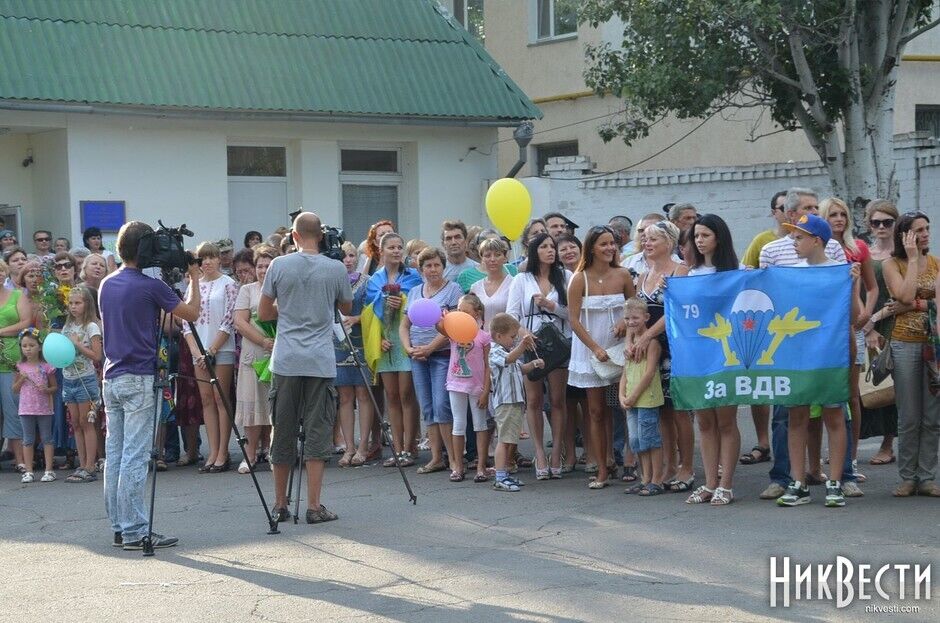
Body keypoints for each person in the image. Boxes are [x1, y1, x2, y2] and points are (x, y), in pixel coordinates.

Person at [99, 220, 202, 549]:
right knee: (135, 455)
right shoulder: (150, 287)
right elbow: (192, 314)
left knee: (115, 454)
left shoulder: (106, 284)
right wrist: (194, 278)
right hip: (140, 377)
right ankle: (134, 530)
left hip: (111, 376)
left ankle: (120, 525)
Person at [258, 211, 353, 524]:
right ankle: (314, 505)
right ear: (322, 236)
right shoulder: (336, 267)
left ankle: (280, 504)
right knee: (317, 432)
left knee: (282, 429)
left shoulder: (278, 265)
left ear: (294, 236)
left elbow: (265, 313)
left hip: (286, 359)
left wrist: (288, 304)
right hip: (320, 359)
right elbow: (345, 307)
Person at [776, 214, 858, 508]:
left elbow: (855, 316)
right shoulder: (790, 272)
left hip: (829, 354)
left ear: (817, 241)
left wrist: (853, 284)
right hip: (796, 355)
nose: (794, 242)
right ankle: (798, 482)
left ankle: (835, 481)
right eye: (793, 237)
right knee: (796, 416)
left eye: (799, 237)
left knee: (834, 416)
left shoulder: (840, 271)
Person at [567, 226, 635, 488]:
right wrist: (594, 347)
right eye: (604, 244)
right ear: (591, 248)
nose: (610, 248)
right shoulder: (579, 278)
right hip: (590, 349)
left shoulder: (623, 274)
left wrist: (624, 321)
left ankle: (629, 460)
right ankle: (603, 466)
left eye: (612, 244)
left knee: (625, 404)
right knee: (596, 411)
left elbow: (635, 306)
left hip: (620, 348)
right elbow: (573, 319)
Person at [629, 220, 693, 491]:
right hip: (648, 351)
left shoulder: (681, 271)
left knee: (679, 410)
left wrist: (646, 336)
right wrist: (632, 340)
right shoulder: (642, 276)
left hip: (673, 348)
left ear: (669, 242)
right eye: (645, 238)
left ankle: (687, 467)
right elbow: (634, 313)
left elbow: (674, 312)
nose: (647, 243)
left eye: (654, 239)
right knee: (661, 410)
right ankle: (667, 465)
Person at [685, 214, 741, 505]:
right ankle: (709, 483)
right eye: (696, 236)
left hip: (728, 354)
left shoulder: (737, 272)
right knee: (704, 421)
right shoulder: (688, 274)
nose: (700, 241)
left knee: (726, 420)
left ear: (719, 237)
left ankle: (727, 484)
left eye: (705, 235)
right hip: (697, 355)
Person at [883, 211, 940, 497]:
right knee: (909, 415)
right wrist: (914, 258)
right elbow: (902, 296)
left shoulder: (938, 263)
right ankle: (907, 476)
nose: (926, 234)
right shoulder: (892, 264)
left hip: (933, 345)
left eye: (927, 228)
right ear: (905, 236)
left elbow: (913, 303)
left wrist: (916, 305)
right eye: (919, 230)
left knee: (932, 414)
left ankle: (927, 476)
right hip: (904, 343)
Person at [821, 197, 879, 481]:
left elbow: (872, 286)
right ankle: (830, 455)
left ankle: (851, 458)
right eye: (833, 214)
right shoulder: (816, 251)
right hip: (824, 330)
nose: (839, 219)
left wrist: (866, 316)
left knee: (851, 395)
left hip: (852, 328)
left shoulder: (858, 248)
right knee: (822, 399)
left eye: (843, 214)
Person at [506, 233, 572, 480]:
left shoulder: (565, 276)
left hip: (558, 344)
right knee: (533, 400)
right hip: (530, 344)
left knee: (557, 400)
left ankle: (556, 452)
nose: (550, 250)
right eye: (544, 246)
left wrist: (550, 305)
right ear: (534, 251)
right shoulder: (521, 279)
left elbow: (574, 314)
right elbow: (512, 315)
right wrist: (523, 334)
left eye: (552, 246)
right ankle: (539, 454)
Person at [400, 247, 461, 473]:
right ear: (420, 268)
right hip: (417, 357)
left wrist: (430, 348)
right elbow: (404, 324)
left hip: (442, 355)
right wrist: (408, 348)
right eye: (428, 265)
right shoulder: (415, 291)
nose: (433, 269)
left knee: (442, 406)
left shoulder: (453, 290)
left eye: (437, 265)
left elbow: (453, 326)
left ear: (443, 267)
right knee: (427, 407)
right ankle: (436, 457)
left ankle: (454, 459)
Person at [363, 233, 422, 466]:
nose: (396, 251)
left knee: (407, 393)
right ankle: (397, 449)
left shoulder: (413, 277)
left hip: (405, 339)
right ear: (381, 250)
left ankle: (410, 446)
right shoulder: (373, 280)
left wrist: (404, 300)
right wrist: (377, 341)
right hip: (386, 341)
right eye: (391, 247)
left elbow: (420, 307)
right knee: (392, 396)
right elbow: (369, 317)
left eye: (399, 247)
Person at [738, 191, 788, 468]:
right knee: (762, 386)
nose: (787, 212)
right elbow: (746, 274)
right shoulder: (763, 242)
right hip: (764, 322)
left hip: (790, 324)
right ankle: (763, 442)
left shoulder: (810, 242)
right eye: (782, 207)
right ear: (774, 212)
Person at [182, 242, 239, 473]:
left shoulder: (229, 284)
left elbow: (229, 320)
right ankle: (212, 450)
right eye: (202, 259)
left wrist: (212, 350)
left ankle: (223, 452)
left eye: (211, 258)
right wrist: (197, 352)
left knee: (220, 398)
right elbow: (186, 321)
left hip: (220, 349)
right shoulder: (193, 286)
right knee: (206, 400)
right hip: (199, 351)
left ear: (219, 259)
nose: (207, 262)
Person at [859, 199, 900, 465]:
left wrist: (873, 322)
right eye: (876, 222)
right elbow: (859, 291)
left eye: (887, 222)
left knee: (890, 386)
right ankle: (851, 443)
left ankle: (887, 444)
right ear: (869, 225)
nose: (882, 227)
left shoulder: (901, 256)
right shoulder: (865, 253)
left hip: (894, 324)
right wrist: (866, 326)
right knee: (863, 386)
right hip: (864, 322)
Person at [233, 245, 279, 473]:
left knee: (273, 404)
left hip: (277, 353)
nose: (263, 270)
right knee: (252, 403)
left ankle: (272, 451)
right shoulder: (247, 290)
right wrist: (263, 342)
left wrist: (275, 342)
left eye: (268, 265)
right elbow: (240, 322)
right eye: (260, 265)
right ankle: (249, 454)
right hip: (254, 352)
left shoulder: (282, 288)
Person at [489, 313, 543, 492]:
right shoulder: (496, 351)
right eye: (512, 337)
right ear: (498, 336)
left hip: (514, 402)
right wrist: (522, 345)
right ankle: (500, 476)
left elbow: (521, 368)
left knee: (510, 440)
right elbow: (508, 360)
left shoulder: (507, 351)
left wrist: (535, 364)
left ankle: (504, 473)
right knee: (504, 440)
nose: (514, 340)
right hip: (505, 403)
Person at [332, 241, 373, 468]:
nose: (347, 260)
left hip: (361, 341)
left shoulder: (366, 282)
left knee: (363, 393)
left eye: (350, 255)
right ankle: (348, 446)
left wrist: (357, 319)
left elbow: (374, 311)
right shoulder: (331, 281)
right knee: (345, 396)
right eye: (342, 256)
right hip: (337, 341)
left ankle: (363, 445)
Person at [619, 297, 664, 497]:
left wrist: (634, 395)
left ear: (646, 317)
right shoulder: (629, 345)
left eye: (635, 318)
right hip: (631, 400)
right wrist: (622, 395)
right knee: (637, 441)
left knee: (650, 439)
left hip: (646, 398)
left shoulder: (652, 343)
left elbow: (649, 373)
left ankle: (657, 479)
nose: (631, 322)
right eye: (627, 319)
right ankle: (645, 477)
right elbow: (625, 372)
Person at [444, 293, 491, 483]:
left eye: (465, 312)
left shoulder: (484, 336)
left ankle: (481, 466)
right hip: (456, 383)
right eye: (459, 311)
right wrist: (444, 317)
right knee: (458, 424)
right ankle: (458, 465)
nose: (460, 315)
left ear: (477, 313)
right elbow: (438, 326)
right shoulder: (453, 332)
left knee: (480, 425)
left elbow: (488, 366)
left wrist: (486, 390)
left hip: (476, 385)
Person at [61, 285, 103, 483]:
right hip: (69, 379)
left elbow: (97, 355)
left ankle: (90, 466)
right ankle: (82, 463)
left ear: (87, 304)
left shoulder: (91, 327)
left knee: (87, 423)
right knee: (76, 423)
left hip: (85, 379)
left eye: (78, 303)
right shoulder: (67, 327)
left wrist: (78, 345)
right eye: (71, 303)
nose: (73, 307)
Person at [13, 328, 58, 483]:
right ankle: (28, 471)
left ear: (39, 347)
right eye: (24, 346)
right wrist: (21, 379)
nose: (28, 349)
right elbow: (15, 389)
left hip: (44, 408)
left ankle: (49, 470)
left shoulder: (46, 366)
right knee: (27, 439)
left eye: (31, 345)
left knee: (47, 438)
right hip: (26, 408)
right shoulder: (19, 366)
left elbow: (55, 387)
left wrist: (46, 389)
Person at [0, 269, 33, 474]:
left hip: (10, 360)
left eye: (0, 269)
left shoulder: (17, 295)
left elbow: (26, 322)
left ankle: (20, 459)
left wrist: (1, 332)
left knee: (13, 409)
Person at [469, 238, 515, 331]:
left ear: (505, 257)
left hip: (509, 341)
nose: (492, 259)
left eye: (497, 255)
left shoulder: (514, 283)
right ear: (482, 258)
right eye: (487, 255)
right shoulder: (475, 288)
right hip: (484, 342)